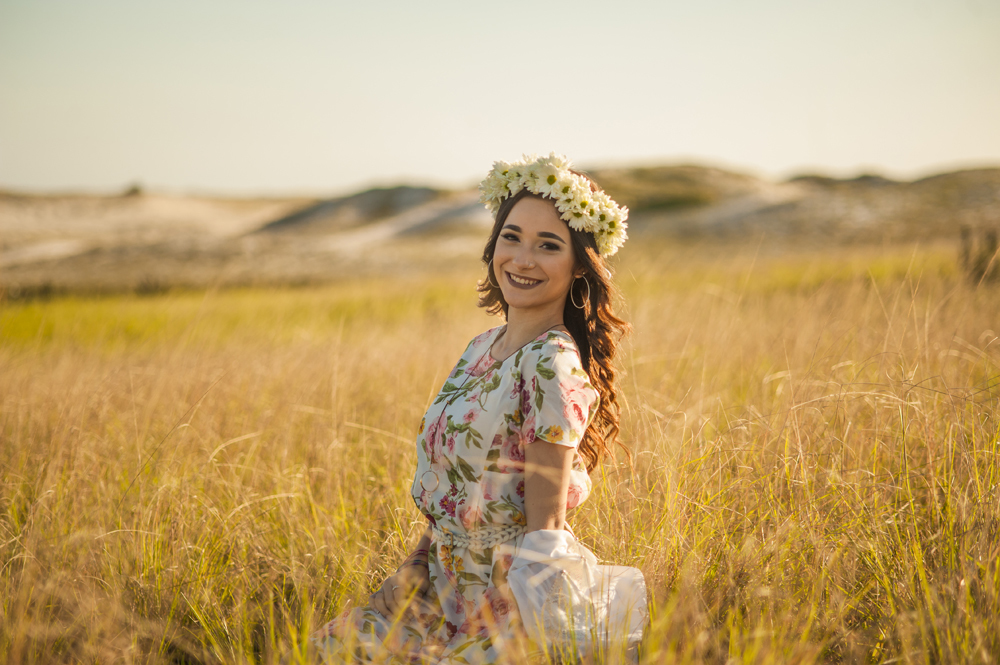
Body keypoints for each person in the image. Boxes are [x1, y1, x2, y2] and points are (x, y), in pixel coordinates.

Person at [311, 153, 633, 663]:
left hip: (505, 600)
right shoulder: (480, 347)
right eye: (512, 237)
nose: (523, 259)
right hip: (437, 582)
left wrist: (527, 638)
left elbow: (545, 531)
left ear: (578, 266)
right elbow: (453, 490)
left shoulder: (552, 365)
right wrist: (414, 566)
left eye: (548, 245)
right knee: (326, 650)